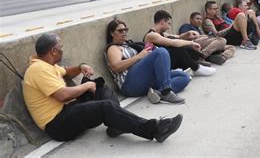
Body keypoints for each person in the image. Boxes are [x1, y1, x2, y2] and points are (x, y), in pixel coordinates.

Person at [23, 33, 183, 142]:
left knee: (102, 89)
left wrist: (80, 66)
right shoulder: (38, 70)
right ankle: (154, 129)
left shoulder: (48, 65)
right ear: (53, 50)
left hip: (66, 111)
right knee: (104, 105)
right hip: (57, 124)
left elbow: (65, 72)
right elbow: (63, 95)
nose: (63, 49)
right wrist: (87, 85)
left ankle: (118, 124)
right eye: (61, 47)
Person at [105, 19, 189, 104]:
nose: (124, 32)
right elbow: (116, 67)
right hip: (129, 84)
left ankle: (157, 92)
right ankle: (166, 92)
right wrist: (139, 56)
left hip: (143, 80)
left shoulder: (127, 44)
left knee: (184, 77)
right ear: (112, 33)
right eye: (120, 31)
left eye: (125, 30)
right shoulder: (113, 48)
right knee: (161, 52)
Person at [144, 10, 217, 76]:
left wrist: (188, 33)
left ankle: (195, 63)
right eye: (168, 23)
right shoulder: (151, 35)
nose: (169, 27)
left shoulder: (162, 34)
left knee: (186, 48)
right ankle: (196, 68)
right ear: (163, 22)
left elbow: (178, 37)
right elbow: (174, 43)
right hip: (158, 65)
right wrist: (191, 43)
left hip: (166, 61)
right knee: (177, 48)